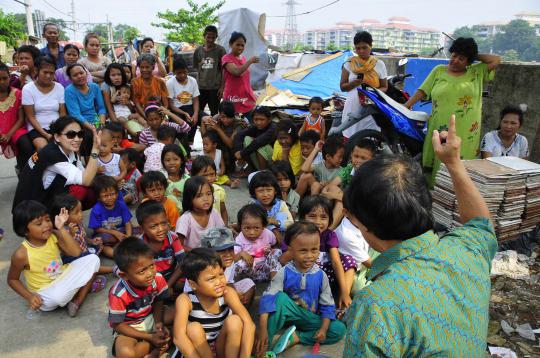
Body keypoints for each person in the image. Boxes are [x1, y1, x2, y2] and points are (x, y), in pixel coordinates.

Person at [342, 115, 497, 356]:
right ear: (425, 201)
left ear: (364, 226)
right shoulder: (467, 249)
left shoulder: (376, 304)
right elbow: (481, 223)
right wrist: (453, 163)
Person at [404, 37, 501, 185]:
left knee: (461, 163)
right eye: (454, 55)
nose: (455, 60)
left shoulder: (477, 72)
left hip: (466, 131)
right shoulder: (439, 71)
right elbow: (423, 91)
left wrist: (472, 54)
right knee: (437, 158)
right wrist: (406, 106)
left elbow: (496, 59)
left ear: (468, 62)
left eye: (461, 58)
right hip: (439, 125)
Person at [255, 221, 346, 356]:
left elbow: (328, 306)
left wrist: (324, 329)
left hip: (309, 318)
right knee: (279, 298)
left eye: (314, 250)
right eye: (303, 250)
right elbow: (267, 298)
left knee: (339, 330)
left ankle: (297, 337)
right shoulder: (285, 271)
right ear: (291, 250)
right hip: (286, 315)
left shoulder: (321, 276)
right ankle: (263, 347)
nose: (309, 256)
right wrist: (262, 330)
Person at [8, 200, 100, 317]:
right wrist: (30, 296)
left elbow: (76, 252)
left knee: (93, 259)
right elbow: (12, 280)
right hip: (47, 293)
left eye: (47, 220)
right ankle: (84, 285)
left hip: (63, 276)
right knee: (57, 297)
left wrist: (61, 228)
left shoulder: (54, 235)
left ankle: (76, 301)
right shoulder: (21, 254)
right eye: (39, 223)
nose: (46, 225)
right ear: (24, 230)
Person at [172, 248, 256, 358]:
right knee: (194, 329)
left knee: (235, 321)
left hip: (221, 345)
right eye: (211, 279)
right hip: (198, 351)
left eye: (221, 274)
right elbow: (179, 338)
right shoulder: (185, 300)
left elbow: (249, 324)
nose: (219, 282)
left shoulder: (227, 293)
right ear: (193, 284)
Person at [12, 116, 101, 211]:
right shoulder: (53, 156)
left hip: (38, 200)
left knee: (94, 187)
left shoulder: (66, 149)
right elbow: (86, 180)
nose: (77, 139)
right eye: (71, 135)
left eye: (80, 134)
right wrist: (95, 149)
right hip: (31, 213)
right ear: (57, 137)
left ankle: (72, 216)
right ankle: (65, 220)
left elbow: (85, 174)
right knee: (80, 190)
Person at [108, 237, 173, 358]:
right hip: (130, 326)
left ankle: (157, 343)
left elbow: (159, 300)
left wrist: (158, 323)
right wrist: (149, 337)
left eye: (152, 266)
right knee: (125, 354)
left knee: (181, 315)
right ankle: (157, 348)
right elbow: (117, 325)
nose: (150, 273)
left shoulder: (157, 278)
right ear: (124, 275)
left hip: (151, 316)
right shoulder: (118, 293)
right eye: (142, 271)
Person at [299, 196, 356, 310]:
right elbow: (284, 259)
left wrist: (345, 292)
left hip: (327, 274)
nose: (318, 222)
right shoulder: (296, 233)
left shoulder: (329, 235)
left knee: (349, 260)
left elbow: (336, 262)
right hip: (304, 274)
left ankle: (343, 296)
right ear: (302, 217)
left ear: (330, 220)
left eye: (323, 217)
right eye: (312, 216)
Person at [185, 228, 256, 306]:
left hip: (220, 289)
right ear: (208, 252)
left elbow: (229, 281)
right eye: (221, 250)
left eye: (230, 249)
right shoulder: (203, 266)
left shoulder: (228, 261)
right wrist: (233, 296)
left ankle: (239, 311)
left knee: (248, 283)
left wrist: (236, 293)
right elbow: (206, 290)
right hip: (201, 298)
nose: (228, 254)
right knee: (232, 298)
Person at [340, 31, 388, 137]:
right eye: (358, 48)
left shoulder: (379, 65)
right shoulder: (349, 64)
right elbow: (342, 87)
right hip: (353, 107)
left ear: (371, 46)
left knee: (370, 139)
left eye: (364, 47)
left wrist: (372, 92)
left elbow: (385, 87)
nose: (361, 51)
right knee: (351, 139)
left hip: (372, 108)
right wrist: (355, 83)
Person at [50, 193, 113, 274]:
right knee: (89, 264)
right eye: (76, 212)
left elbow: (82, 237)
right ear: (63, 217)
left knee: (100, 246)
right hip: (75, 258)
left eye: (81, 210)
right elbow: (67, 251)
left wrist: (91, 241)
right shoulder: (62, 231)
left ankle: (118, 257)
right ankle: (112, 269)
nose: (81, 214)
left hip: (85, 249)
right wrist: (71, 235)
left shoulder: (78, 223)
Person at [321, 138, 376, 229]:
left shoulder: (371, 176)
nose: (358, 160)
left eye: (363, 158)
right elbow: (333, 183)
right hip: (347, 201)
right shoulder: (350, 168)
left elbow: (357, 201)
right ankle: (320, 219)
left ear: (372, 160)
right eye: (356, 156)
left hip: (360, 208)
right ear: (351, 155)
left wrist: (333, 195)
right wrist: (325, 191)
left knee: (341, 199)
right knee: (334, 189)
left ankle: (329, 230)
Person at [136, 200, 185, 290]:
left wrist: (167, 286)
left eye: (163, 223)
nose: (161, 229)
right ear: (142, 229)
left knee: (192, 282)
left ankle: (168, 293)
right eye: (154, 226)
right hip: (152, 279)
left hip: (172, 276)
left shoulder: (173, 237)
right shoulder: (139, 245)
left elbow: (183, 263)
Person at [23, 56, 67, 150]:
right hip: (37, 129)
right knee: (45, 150)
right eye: (45, 72)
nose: (48, 76)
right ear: (36, 71)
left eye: (51, 73)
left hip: (57, 127)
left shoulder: (59, 87)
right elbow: (30, 117)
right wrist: (46, 135)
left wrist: (59, 131)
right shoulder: (28, 89)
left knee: (70, 147)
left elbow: (62, 113)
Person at [234, 203, 282, 282]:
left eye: (256, 228)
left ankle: (275, 283)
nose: (252, 232)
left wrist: (269, 251)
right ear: (240, 226)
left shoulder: (268, 234)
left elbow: (275, 244)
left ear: (263, 226)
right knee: (238, 264)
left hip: (267, 270)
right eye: (247, 228)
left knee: (277, 252)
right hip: (250, 273)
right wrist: (242, 254)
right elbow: (233, 258)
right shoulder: (239, 239)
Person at [175, 176, 225, 250]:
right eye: (199, 196)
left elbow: (222, 234)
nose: (206, 199)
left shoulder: (214, 213)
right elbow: (178, 246)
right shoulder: (185, 219)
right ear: (189, 199)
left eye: (208, 194)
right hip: (193, 257)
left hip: (212, 254)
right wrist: (199, 254)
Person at [201, 100, 247, 178]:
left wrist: (218, 129)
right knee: (211, 140)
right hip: (218, 151)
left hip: (231, 154)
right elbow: (205, 138)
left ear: (234, 115)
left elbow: (231, 144)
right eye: (223, 117)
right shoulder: (216, 118)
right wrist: (202, 122)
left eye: (229, 117)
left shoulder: (239, 124)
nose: (225, 120)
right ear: (219, 114)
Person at [0, 62, 33, 170]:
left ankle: (23, 171)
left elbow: (21, 119)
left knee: (25, 145)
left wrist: (9, 134)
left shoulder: (17, 93)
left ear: (10, 77)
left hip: (16, 129)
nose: (2, 82)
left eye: (5, 78)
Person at [249, 171, 293, 244]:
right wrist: (273, 229)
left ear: (275, 191)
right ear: (254, 192)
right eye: (260, 191)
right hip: (260, 239)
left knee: (281, 215)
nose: (265, 194)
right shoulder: (253, 205)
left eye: (269, 190)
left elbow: (291, 223)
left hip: (282, 236)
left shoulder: (281, 204)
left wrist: (275, 222)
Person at [88, 175, 134, 246]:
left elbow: (127, 223)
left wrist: (128, 237)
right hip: (106, 233)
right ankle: (118, 243)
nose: (110, 198)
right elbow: (96, 229)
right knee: (103, 238)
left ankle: (123, 242)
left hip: (121, 230)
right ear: (98, 197)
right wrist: (114, 233)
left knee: (140, 229)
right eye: (105, 196)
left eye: (112, 194)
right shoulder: (96, 209)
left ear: (117, 193)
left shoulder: (121, 205)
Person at [102, 63, 145, 137]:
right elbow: (110, 109)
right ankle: (132, 132)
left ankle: (147, 128)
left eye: (119, 74)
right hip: (116, 116)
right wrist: (116, 124)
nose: (116, 77)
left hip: (128, 114)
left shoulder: (128, 86)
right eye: (113, 75)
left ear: (123, 75)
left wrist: (128, 103)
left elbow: (134, 106)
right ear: (108, 77)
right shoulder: (107, 86)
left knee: (139, 120)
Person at [221, 32, 258, 118]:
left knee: (252, 121)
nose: (240, 47)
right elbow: (236, 72)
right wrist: (250, 61)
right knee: (233, 122)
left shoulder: (243, 58)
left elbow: (245, 79)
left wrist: (251, 93)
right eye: (237, 44)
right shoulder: (226, 58)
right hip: (233, 97)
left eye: (242, 45)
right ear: (231, 44)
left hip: (246, 97)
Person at [193, 25, 227, 116]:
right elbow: (196, 67)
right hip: (200, 87)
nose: (211, 40)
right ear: (204, 36)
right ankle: (202, 129)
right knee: (198, 111)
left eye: (213, 37)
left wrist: (222, 87)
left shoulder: (221, 50)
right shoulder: (198, 51)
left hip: (215, 88)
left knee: (215, 113)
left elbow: (224, 70)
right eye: (208, 37)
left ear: (216, 37)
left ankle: (213, 130)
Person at [167, 57, 201, 145]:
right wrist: (184, 114)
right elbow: (171, 105)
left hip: (191, 108)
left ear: (187, 70)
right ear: (174, 72)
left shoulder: (193, 81)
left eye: (184, 72)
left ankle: (194, 142)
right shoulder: (170, 83)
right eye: (179, 73)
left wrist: (196, 114)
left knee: (207, 121)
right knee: (179, 126)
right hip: (177, 110)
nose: (182, 75)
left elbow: (196, 100)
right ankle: (184, 148)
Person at [65, 63, 107, 131]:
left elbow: (101, 108)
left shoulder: (94, 87)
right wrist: (94, 129)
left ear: (86, 73)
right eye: (75, 75)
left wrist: (101, 125)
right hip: (81, 126)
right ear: (70, 78)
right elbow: (76, 115)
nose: (79, 76)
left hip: (97, 122)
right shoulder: (69, 91)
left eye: (81, 73)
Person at [233, 107, 277, 171]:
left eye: (262, 120)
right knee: (247, 139)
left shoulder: (273, 128)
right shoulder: (255, 126)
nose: (258, 122)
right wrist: (238, 151)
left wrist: (242, 153)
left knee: (259, 145)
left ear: (269, 120)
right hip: (261, 158)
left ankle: (263, 173)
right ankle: (250, 170)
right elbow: (239, 135)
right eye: (256, 119)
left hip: (274, 161)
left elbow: (259, 142)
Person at [190, 155, 229, 225]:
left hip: (216, 227)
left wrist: (225, 225)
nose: (209, 178)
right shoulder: (192, 192)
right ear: (193, 176)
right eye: (204, 175)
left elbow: (223, 211)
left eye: (212, 174)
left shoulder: (219, 191)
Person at [161, 144, 189, 212]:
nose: (172, 163)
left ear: (181, 160)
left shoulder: (187, 179)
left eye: (175, 159)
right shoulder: (161, 179)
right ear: (163, 162)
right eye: (168, 160)